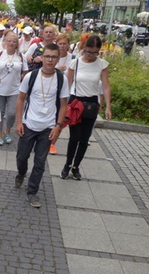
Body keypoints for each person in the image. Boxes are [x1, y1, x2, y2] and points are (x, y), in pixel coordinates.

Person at [15, 44, 69, 208]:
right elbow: (20, 99)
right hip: (29, 124)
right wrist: (19, 122)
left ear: (57, 59)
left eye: (53, 57)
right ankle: (21, 173)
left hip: (47, 127)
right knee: (21, 157)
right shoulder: (31, 76)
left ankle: (32, 192)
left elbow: (64, 104)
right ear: (42, 57)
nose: (50, 60)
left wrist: (58, 126)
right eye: (47, 56)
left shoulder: (61, 79)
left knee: (40, 162)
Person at [60, 35, 111, 180]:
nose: (92, 55)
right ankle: (67, 164)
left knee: (84, 138)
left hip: (91, 104)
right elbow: (67, 85)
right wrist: (62, 105)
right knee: (74, 137)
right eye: (89, 52)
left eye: (95, 52)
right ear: (83, 49)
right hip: (76, 102)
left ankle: (76, 166)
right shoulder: (74, 63)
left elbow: (106, 87)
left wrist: (107, 106)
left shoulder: (102, 64)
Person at [0, 32, 28, 146]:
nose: (11, 43)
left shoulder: (21, 56)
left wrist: (22, 79)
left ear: (17, 44)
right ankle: (0, 134)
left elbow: (25, 71)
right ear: (5, 42)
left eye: (14, 41)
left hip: (14, 90)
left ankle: (8, 131)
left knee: (12, 113)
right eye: (9, 41)